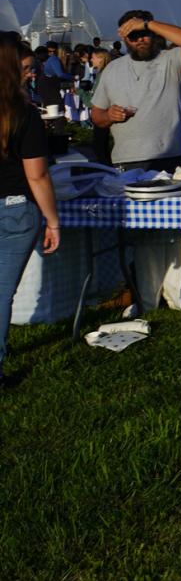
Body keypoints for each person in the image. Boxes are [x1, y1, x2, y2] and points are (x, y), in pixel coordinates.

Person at [89, 8, 181, 313]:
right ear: (123, 38)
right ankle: (133, 290)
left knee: (172, 232)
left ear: (155, 33)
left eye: (145, 33)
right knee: (132, 233)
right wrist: (107, 116)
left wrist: (149, 23)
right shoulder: (112, 70)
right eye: (134, 35)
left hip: (169, 159)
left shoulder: (170, 60)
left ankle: (170, 290)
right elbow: (95, 114)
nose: (141, 39)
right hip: (126, 162)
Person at [0, 32, 62, 388]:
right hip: (13, 208)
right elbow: (36, 175)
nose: (30, 74)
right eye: (24, 69)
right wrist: (52, 220)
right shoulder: (23, 115)